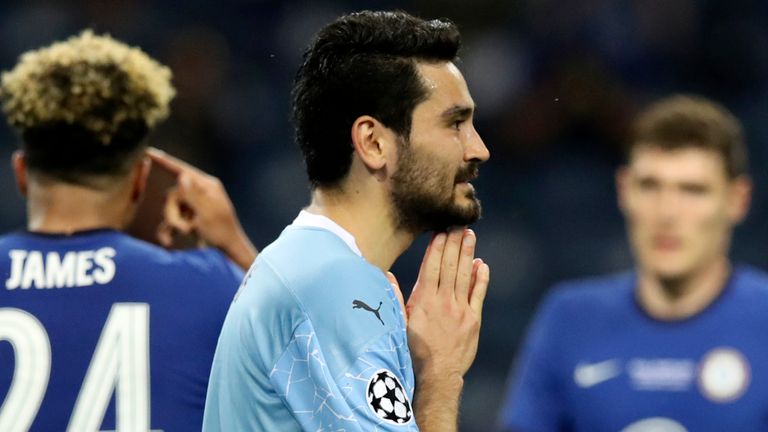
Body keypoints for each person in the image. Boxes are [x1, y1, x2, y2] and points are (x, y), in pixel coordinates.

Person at [203, 10, 491, 432]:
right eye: (455, 123)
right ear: (373, 142)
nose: (478, 148)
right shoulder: (336, 287)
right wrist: (440, 378)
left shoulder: (307, 268)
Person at [0, 31, 257, 431]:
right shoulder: (213, 288)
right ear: (140, 179)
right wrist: (236, 248)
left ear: (21, 174)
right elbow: (326, 387)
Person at [497, 95, 765, 432]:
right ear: (624, 190)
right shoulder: (569, 317)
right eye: (650, 186)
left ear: (738, 200)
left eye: (693, 190)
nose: (667, 213)